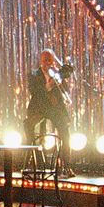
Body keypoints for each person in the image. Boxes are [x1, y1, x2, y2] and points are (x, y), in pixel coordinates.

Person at [23, 48, 75, 176]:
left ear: (53, 61)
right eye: (45, 60)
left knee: (65, 134)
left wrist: (62, 78)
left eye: (50, 60)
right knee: (28, 126)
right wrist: (51, 83)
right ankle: (32, 161)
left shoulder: (58, 74)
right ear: (41, 61)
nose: (47, 62)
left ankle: (66, 166)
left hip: (55, 108)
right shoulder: (34, 74)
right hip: (39, 108)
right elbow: (35, 92)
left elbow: (66, 90)